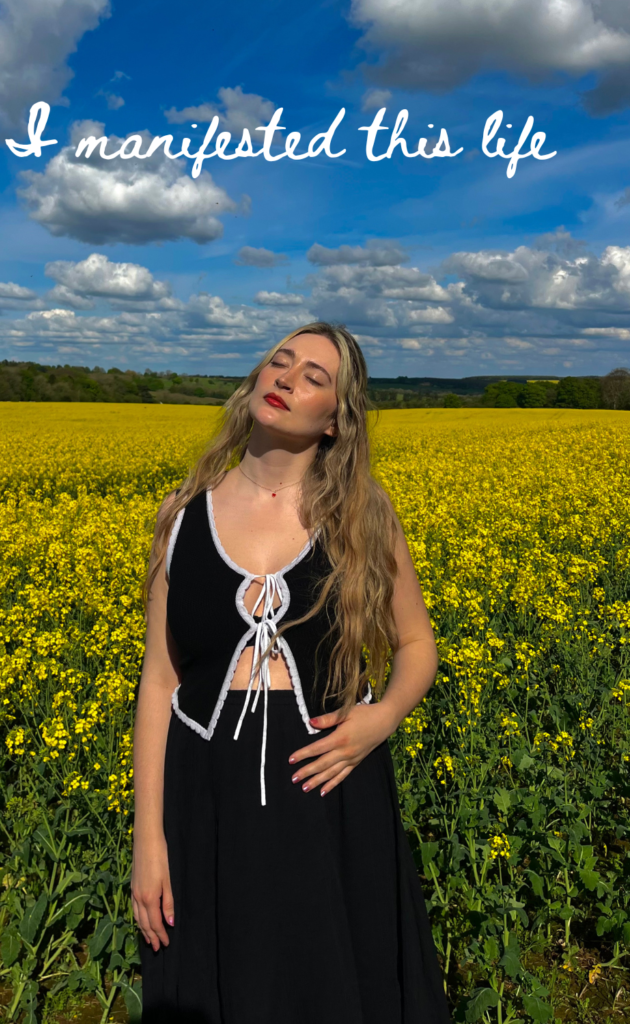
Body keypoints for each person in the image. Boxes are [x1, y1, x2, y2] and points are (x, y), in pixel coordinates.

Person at [132, 321, 452, 1024]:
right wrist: (147, 843)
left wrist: (381, 717)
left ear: (335, 421)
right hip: (207, 795)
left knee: (333, 984)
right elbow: (160, 680)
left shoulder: (362, 516)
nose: (286, 378)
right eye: (279, 362)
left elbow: (416, 643)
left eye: (313, 376)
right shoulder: (180, 517)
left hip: (331, 787)